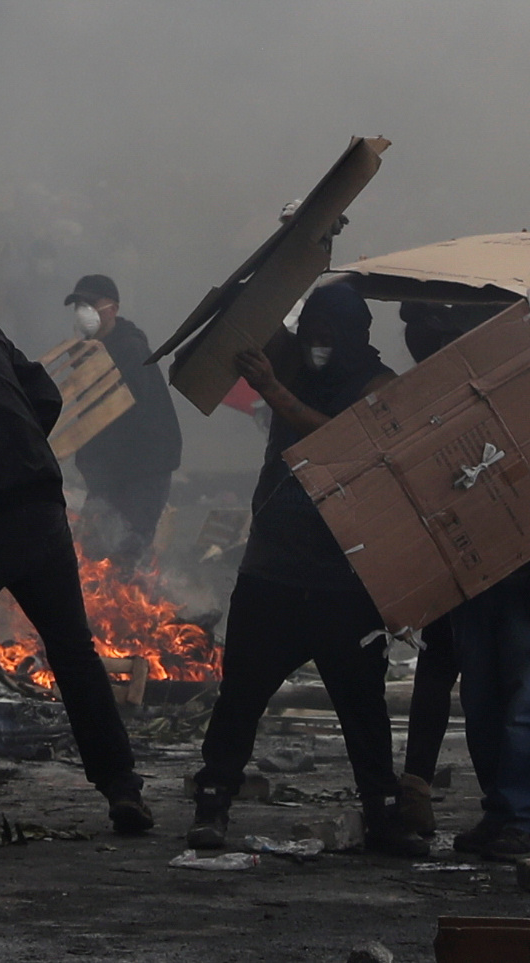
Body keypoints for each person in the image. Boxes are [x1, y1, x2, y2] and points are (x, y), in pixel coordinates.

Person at [186, 281, 433, 858]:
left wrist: (275, 391)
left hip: (344, 575)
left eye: (328, 337)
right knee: (240, 696)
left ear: (352, 337)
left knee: (362, 706)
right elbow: (250, 320)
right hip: (273, 566)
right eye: (310, 334)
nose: (317, 346)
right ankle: (213, 803)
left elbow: (345, 444)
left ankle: (381, 814)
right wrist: (288, 255)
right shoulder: (294, 365)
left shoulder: (379, 386)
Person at [0, 318, 150, 835]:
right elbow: (48, 398)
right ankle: (122, 787)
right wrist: (23, 447)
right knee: (74, 650)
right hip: (41, 506)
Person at [395, 294, 530, 858]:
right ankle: (503, 811)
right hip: (473, 571)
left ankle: (525, 816)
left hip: (528, 572)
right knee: (482, 697)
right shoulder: (447, 400)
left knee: (523, 696)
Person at [63, 275, 182, 571]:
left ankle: (133, 613)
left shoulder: (129, 350)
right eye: (79, 304)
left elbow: (115, 420)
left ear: (112, 308)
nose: (83, 311)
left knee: (127, 550)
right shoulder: (89, 351)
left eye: (90, 303)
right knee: (92, 547)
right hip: (110, 471)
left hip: (143, 469)